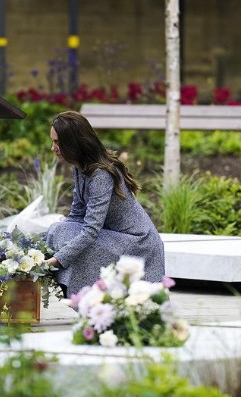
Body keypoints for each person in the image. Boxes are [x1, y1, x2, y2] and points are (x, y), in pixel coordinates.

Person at [45, 110, 165, 298]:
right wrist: (52, 243)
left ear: (73, 143)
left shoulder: (100, 175)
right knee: (58, 230)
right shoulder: (80, 167)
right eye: (53, 142)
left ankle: (82, 297)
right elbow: (76, 215)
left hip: (136, 242)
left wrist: (56, 260)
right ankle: (75, 294)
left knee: (69, 237)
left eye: (57, 142)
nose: (53, 148)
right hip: (113, 235)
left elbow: (91, 230)